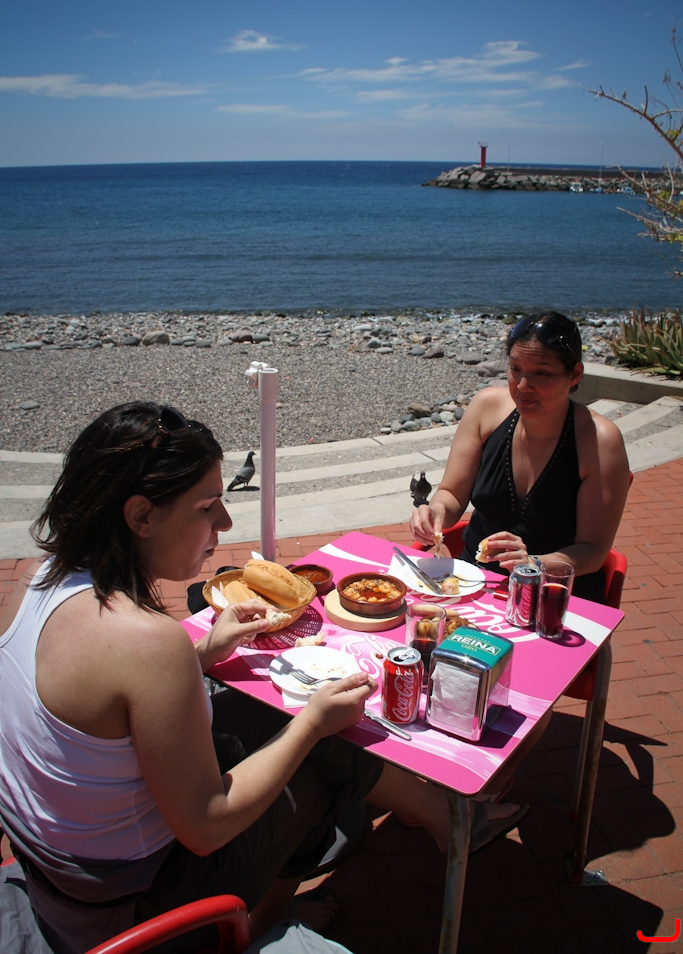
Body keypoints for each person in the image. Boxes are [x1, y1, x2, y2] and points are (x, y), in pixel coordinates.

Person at [0, 402, 521, 954]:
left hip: (57, 879)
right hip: (134, 910)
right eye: (207, 506)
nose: (225, 523)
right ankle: (276, 914)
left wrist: (205, 652)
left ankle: (436, 822)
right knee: (321, 753)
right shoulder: (148, 641)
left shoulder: (33, 580)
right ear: (141, 516)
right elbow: (206, 825)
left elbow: (98, 703)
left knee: (264, 715)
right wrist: (311, 726)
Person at [410, 312, 631, 601]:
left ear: (575, 374)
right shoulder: (487, 408)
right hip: (477, 581)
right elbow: (452, 493)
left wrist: (533, 563)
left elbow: (592, 551)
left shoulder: (600, 441)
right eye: (516, 369)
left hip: (556, 595)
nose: (524, 386)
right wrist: (435, 512)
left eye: (542, 374)